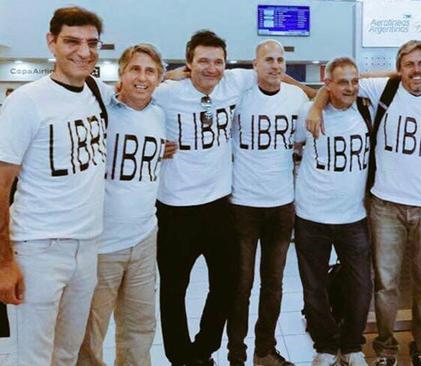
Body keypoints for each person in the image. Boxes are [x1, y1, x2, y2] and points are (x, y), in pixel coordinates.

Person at [309, 40, 421, 366]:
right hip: (385, 204)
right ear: (399, 68)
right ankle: (385, 349)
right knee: (385, 285)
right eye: (409, 64)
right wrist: (316, 104)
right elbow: (338, 83)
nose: (416, 70)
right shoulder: (383, 89)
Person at [0, 6, 112, 365]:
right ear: (52, 42)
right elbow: (1, 186)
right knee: (36, 356)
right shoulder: (26, 102)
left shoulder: (97, 91)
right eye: (72, 41)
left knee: (66, 353)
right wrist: (4, 263)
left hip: (87, 244)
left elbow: (144, 84)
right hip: (39, 248)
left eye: (92, 43)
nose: (84, 51)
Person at [153, 30, 257, 366]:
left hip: (219, 208)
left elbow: (273, 71)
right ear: (188, 63)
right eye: (203, 61)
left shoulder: (235, 83)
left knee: (228, 284)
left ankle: (204, 347)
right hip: (174, 210)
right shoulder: (167, 93)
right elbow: (128, 93)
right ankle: (181, 358)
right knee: (173, 291)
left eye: (218, 62)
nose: (211, 68)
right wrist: (154, 144)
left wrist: (317, 98)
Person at [77, 43, 166, 366]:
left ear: (159, 78)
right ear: (122, 74)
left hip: (144, 238)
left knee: (140, 327)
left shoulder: (159, 114)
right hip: (102, 243)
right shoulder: (101, 108)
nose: (142, 78)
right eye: (135, 69)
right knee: (90, 331)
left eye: (150, 71)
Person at [227, 39, 307, 366]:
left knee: (273, 286)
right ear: (255, 64)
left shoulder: (296, 98)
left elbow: (304, 136)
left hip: (281, 205)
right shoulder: (238, 97)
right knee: (240, 286)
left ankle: (264, 351)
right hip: (243, 205)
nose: (275, 66)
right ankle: (236, 353)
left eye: (280, 60)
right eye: (269, 60)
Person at [294, 57, 372, 366]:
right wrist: (315, 103)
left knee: (361, 286)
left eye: (354, 81)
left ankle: (352, 346)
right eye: (342, 82)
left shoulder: (366, 109)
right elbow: (292, 145)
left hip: (353, 217)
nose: (350, 87)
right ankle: (325, 346)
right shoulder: (307, 113)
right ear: (328, 85)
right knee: (314, 288)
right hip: (311, 216)